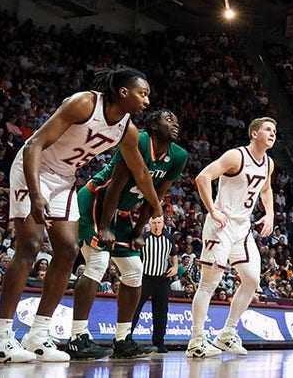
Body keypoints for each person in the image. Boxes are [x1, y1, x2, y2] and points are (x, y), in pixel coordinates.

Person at [0, 68, 162, 363]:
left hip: (65, 178)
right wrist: (36, 193)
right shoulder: (85, 103)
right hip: (35, 170)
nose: (146, 101)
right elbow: (34, 144)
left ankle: (38, 335)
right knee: (29, 245)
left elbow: (140, 171)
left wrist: (156, 206)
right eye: (143, 94)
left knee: (67, 250)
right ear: (124, 92)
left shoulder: (127, 128)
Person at [67, 109, 187, 359]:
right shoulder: (139, 140)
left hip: (122, 211)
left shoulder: (179, 155)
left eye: (176, 121)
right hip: (96, 202)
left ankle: (122, 340)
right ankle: (77, 337)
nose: (175, 124)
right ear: (154, 125)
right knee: (98, 263)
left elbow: (155, 198)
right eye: (169, 119)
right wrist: (104, 226)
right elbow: (116, 184)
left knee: (133, 271)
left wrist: (136, 231)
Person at [186, 117, 277, 358]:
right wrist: (212, 210)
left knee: (251, 279)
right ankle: (196, 340)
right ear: (254, 134)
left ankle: (227, 334)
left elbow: (266, 189)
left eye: (275, 130)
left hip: (242, 228)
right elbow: (203, 177)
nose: (272, 133)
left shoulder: (268, 163)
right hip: (221, 224)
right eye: (268, 129)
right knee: (209, 284)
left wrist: (269, 214)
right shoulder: (236, 156)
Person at [133, 215, 177, 353]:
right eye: (154, 223)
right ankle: (126, 338)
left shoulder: (169, 238)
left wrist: (175, 266)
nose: (156, 225)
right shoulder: (143, 238)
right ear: (149, 223)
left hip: (162, 280)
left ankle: (159, 343)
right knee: (135, 309)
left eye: (159, 222)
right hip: (145, 279)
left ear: (163, 223)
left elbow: (173, 255)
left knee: (161, 313)